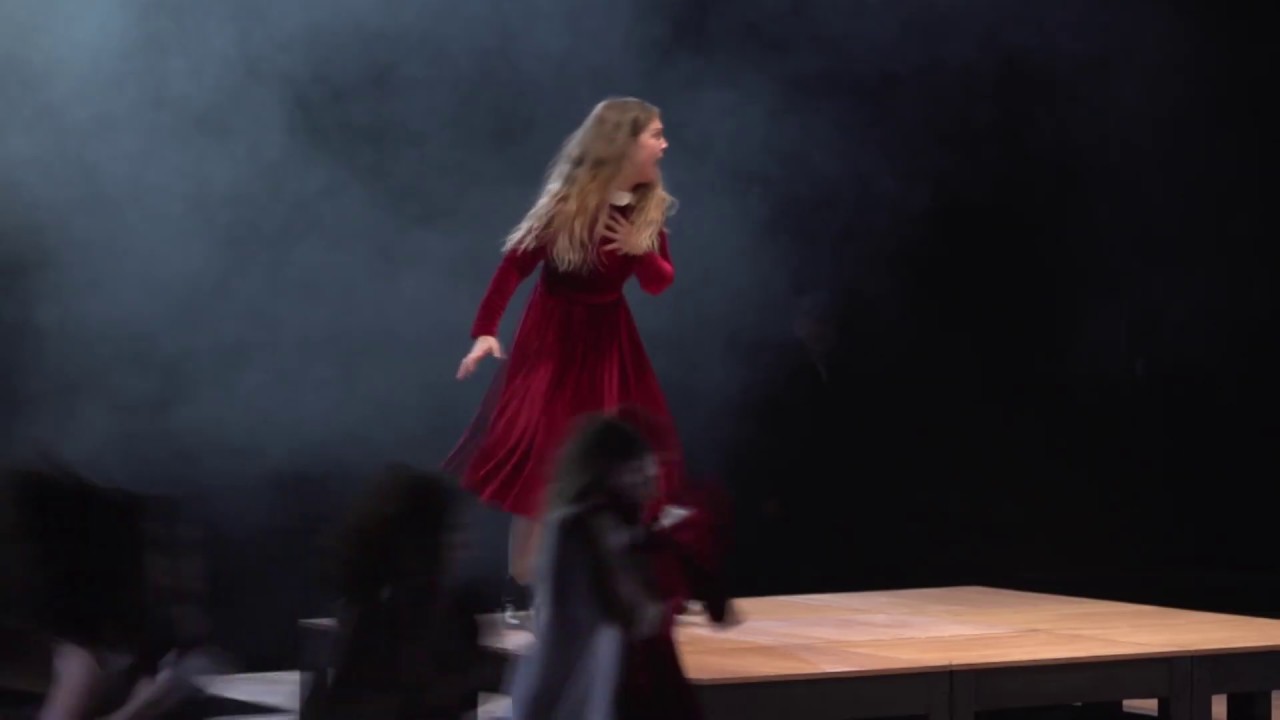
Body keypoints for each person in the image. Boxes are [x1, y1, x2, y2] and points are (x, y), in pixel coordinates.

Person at [444, 96, 683, 620]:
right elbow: (513, 267)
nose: (664, 144)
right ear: (624, 143)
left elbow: (659, 283)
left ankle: (610, 583)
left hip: (608, 340)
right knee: (543, 460)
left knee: (615, 456)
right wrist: (485, 331)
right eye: (655, 135)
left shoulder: (648, 206)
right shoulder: (568, 204)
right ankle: (521, 587)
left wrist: (640, 250)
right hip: (553, 338)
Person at [506, 414, 737, 720]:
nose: (648, 476)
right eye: (635, 468)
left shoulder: (617, 526)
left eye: (646, 466)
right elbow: (621, 612)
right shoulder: (586, 526)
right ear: (606, 471)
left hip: (618, 675)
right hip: (604, 677)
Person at [303, 464, 496, 720]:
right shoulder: (383, 620)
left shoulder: (366, 610)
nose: (464, 543)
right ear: (425, 539)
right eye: (453, 531)